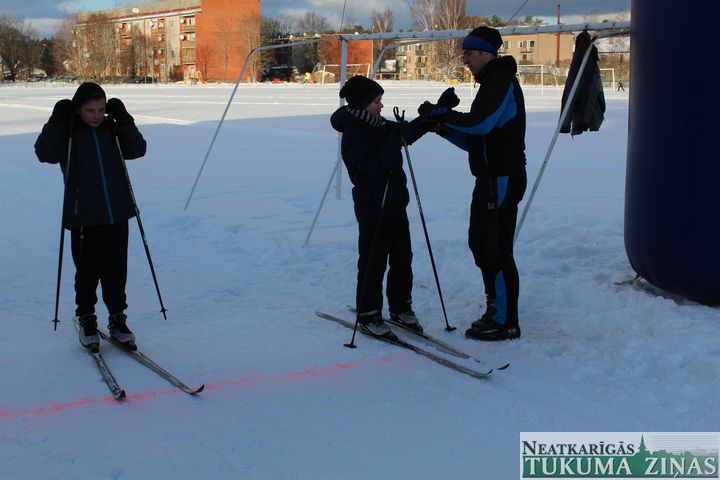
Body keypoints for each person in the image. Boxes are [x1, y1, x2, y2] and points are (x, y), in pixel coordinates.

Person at [418, 26, 527, 341]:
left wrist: (442, 113)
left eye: (468, 53)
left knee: (496, 249)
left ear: (485, 53)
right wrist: (442, 127)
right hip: (488, 179)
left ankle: (505, 320)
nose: (464, 59)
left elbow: (480, 124)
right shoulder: (490, 82)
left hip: (502, 178)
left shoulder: (500, 80)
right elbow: (477, 141)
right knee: (480, 244)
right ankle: (496, 308)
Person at [34, 82, 147, 351]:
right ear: (78, 109)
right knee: (87, 272)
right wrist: (56, 120)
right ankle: (87, 318)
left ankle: (118, 319)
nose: (96, 115)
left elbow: (137, 149)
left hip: (117, 212)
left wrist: (124, 119)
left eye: (101, 109)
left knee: (116, 270)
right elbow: (44, 153)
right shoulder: (70, 134)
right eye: (90, 110)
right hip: (84, 215)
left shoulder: (112, 130)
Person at [330, 75, 434, 337]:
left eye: (380, 101)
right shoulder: (353, 133)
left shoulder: (379, 124)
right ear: (362, 105)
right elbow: (372, 168)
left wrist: (430, 116)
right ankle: (368, 313)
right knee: (373, 263)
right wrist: (393, 140)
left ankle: (401, 307)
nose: (381, 106)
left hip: (396, 204)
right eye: (376, 102)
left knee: (402, 258)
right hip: (373, 209)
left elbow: (405, 133)